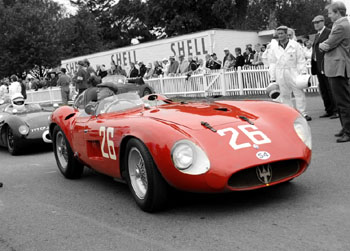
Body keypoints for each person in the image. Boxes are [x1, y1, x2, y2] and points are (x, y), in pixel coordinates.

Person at [319, 2, 350, 143]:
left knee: (343, 101)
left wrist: (321, 45)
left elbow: (327, 45)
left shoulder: (341, 26)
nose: (329, 15)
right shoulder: (342, 25)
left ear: (338, 12)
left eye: (330, 13)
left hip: (338, 67)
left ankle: (348, 131)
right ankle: (345, 127)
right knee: (341, 101)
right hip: (337, 67)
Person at [268, 26, 311, 121]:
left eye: (281, 33)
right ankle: (289, 114)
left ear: (286, 34)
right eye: (278, 34)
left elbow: (301, 60)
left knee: (298, 92)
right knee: (284, 94)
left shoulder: (295, 45)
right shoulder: (274, 47)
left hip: (293, 71)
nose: (279, 36)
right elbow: (272, 63)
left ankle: (302, 113)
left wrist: (303, 73)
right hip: (280, 72)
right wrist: (272, 77)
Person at [310, 15, 337, 119]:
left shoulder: (329, 32)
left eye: (317, 22)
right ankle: (329, 109)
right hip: (318, 65)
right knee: (324, 89)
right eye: (314, 23)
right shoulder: (317, 35)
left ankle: (336, 110)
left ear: (323, 22)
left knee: (330, 88)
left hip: (326, 64)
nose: (315, 24)